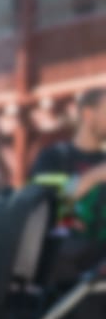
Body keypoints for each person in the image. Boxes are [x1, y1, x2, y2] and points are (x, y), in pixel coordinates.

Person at [30, 88, 106, 239]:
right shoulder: (53, 158)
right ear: (88, 114)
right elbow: (42, 210)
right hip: (63, 250)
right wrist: (92, 178)